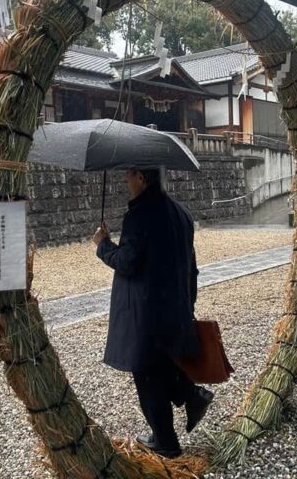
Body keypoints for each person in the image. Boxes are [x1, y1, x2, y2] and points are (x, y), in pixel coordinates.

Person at [92, 167, 214, 458]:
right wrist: (189, 302)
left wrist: (103, 245)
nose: (125, 181)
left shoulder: (139, 215)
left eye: (128, 176)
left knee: (146, 376)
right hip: (174, 306)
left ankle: (167, 442)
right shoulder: (181, 213)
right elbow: (191, 263)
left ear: (141, 178)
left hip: (144, 312)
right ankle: (190, 395)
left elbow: (127, 261)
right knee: (160, 364)